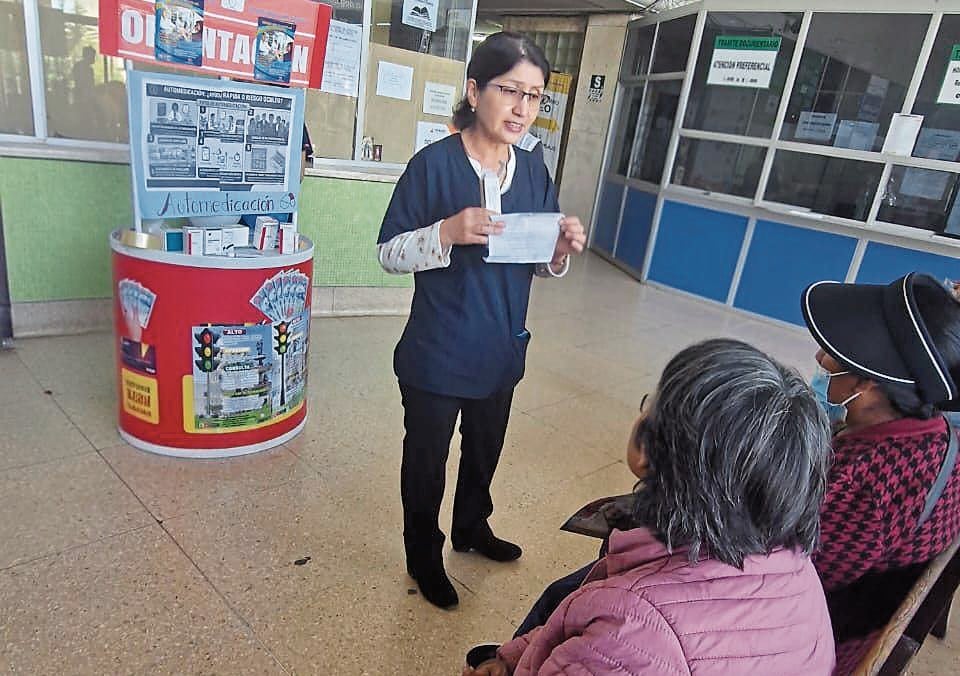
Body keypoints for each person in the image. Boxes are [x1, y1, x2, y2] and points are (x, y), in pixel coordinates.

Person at [464, 339, 836, 675]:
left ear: (644, 449)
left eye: (648, 406)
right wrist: (514, 658)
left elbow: (620, 645)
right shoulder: (794, 565)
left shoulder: (632, 627)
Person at [376, 32, 587, 609]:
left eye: (536, 96)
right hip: (438, 352)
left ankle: (471, 527)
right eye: (509, 90)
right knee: (426, 462)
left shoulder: (533, 171)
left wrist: (560, 249)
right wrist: (444, 231)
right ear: (474, 90)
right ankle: (423, 553)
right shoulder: (433, 166)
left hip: (501, 347)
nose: (522, 108)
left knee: (484, 448)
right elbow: (388, 251)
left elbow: (538, 260)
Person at [800, 272, 960, 639]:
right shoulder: (937, 434)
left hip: (824, 625)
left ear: (867, 382)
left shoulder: (864, 484)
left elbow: (789, 576)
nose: (820, 357)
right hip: (863, 597)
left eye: (834, 359)